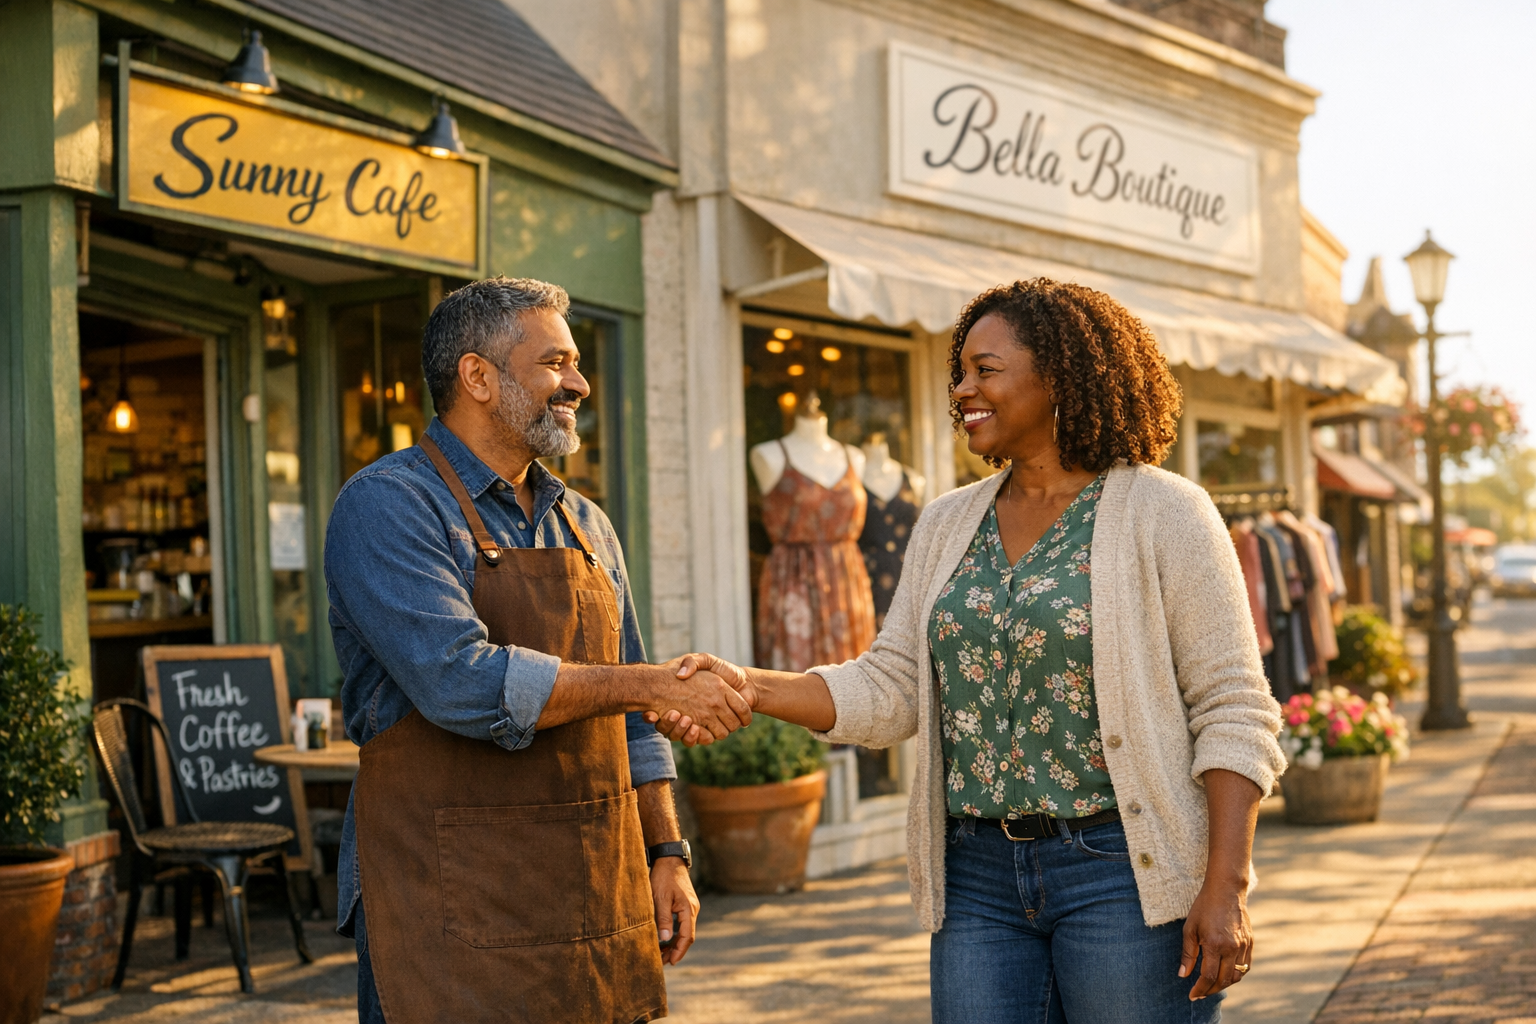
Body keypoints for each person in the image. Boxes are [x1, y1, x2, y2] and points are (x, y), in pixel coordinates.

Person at [662, 279, 1288, 1023]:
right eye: (958, 374)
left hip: (1123, 872)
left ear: (1059, 376)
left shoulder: (1165, 511)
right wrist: (750, 686)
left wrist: (1226, 886)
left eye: (984, 371)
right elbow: (891, 687)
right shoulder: (946, 523)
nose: (962, 391)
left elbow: (1234, 707)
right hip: (978, 881)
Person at [324, 276, 752, 1024]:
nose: (579, 384)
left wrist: (667, 852)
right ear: (477, 376)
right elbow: (461, 682)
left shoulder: (586, 522)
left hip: (589, 887)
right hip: (445, 896)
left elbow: (636, 725)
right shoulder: (387, 505)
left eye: (576, 364)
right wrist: (650, 683)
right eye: (556, 363)